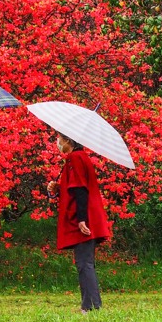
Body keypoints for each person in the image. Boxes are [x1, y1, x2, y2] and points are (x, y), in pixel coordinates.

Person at [46, 133, 111, 312]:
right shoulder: (80, 158)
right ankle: (91, 304)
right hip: (88, 216)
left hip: (84, 218)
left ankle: (90, 306)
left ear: (68, 140)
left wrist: (82, 219)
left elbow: (81, 190)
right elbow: (74, 189)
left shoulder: (75, 158)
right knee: (85, 262)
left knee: (84, 262)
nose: (57, 142)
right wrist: (59, 189)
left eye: (59, 138)